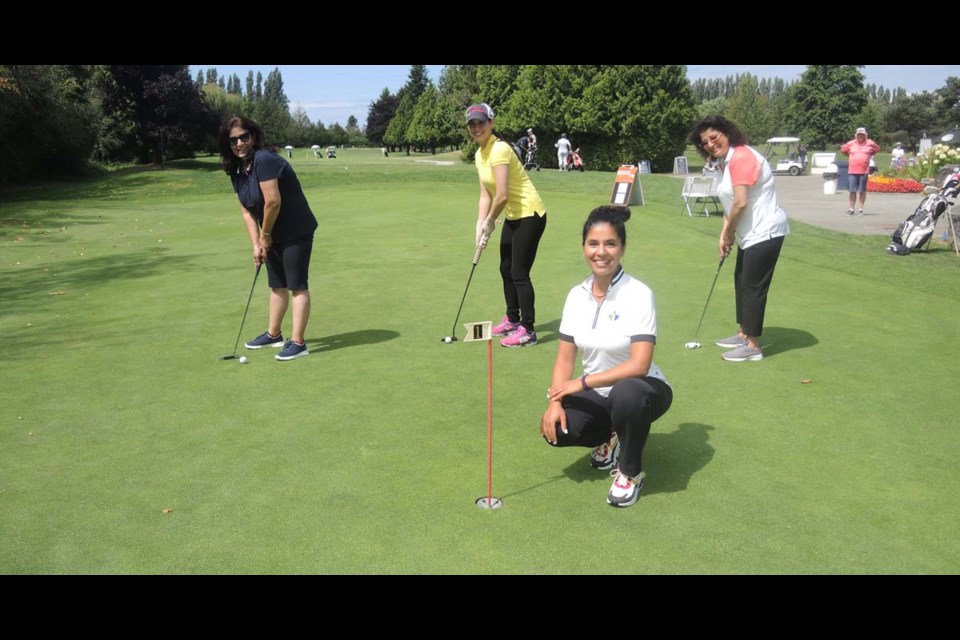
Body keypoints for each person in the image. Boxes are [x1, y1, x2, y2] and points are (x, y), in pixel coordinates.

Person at [540, 206, 673, 507]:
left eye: (610, 244)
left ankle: (630, 472)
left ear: (623, 248)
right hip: (599, 393)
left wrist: (582, 383)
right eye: (593, 244)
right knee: (559, 430)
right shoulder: (576, 295)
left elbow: (639, 365)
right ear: (584, 247)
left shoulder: (638, 293)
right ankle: (610, 435)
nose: (601, 252)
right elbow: (564, 358)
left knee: (626, 393)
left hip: (644, 389)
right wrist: (555, 401)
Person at [689, 115, 790, 362]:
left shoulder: (742, 156)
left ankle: (753, 347)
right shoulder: (727, 162)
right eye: (705, 142)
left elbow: (741, 202)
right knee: (741, 281)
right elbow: (729, 203)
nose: (711, 144)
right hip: (750, 234)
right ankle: (745, 333)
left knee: (753, 288)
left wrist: (729, 231)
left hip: (765, 231)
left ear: (726, 133)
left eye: (714, 137)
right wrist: (724, 234)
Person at [219, 116, 318, 361]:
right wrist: (256, 243)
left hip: (295, 228)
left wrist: (265, 236)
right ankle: (274, 335)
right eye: (233, 140)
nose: (239, 143)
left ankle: (298, 343)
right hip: (272, 233)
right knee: (277, 284)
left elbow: (273, 202)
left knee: (297, 285)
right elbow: (246, 209)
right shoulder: (237, 168)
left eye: (244, 137)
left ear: (253, 136)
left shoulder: (264, 159)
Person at [466, 103, 548, 347]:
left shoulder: (500, 149)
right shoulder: (480, 155)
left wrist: (491, 222)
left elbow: (501, 194)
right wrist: (480, 224)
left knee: (519, 273)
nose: (477, 127)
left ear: (491, 123)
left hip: (530, 213)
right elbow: (486, 194)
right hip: (513, 215)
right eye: (472, 124)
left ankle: (528, 330)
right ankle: (513, 319)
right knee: (505, 268)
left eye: (481, 122)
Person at [840, 127, 880, 216]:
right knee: (852, 190)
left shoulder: (869, 143)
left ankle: (861, 209)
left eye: (862, 134)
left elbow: (877, 149)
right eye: (859, 134)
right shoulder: (851, 143)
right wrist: (850, 155)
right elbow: (843, 150)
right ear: (856, 135)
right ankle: (851, 209)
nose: (860, 136)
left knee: (862, 191)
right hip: (852, 171)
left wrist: (869, 153)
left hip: (864, 171)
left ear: (865, 135)